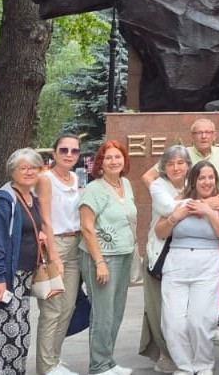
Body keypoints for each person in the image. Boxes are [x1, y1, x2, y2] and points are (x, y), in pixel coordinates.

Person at [156, 160, 219, 375]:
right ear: (194, 180)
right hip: (177, 264)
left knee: (201, 320)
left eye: (211, 177)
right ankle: (184, 366)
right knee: (173, 321)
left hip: (208, 264)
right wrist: (176, 216)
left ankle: (203, 364)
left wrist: (208, 211)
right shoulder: (180, 201)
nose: (207, 182)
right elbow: (160, 232)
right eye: (202, 178)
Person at [0, 148, 46, 374]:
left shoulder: (31, 198)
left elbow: (23, 229)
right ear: (12, 171)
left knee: (18, 337)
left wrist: (38, 236)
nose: (28, 171)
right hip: (3, 280)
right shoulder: (2, 201)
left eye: (33, 167)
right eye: (22, 168)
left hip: (22, 280)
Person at [79, 139, 138, 375]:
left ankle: (108, 361)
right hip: (102, 259)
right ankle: (98, 366)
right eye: (108, 157)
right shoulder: (94, 189)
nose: (114, 161)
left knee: (116, 312)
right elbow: (87, 227)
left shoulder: (126, 184)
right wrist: (100, 262)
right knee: (102, 314)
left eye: (118, 157)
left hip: (124, 256)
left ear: (124, 160)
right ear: (100, 163)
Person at [140, 144, 191, 373]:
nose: (176, 167)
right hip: (160, 255)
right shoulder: (158, 186)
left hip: (187, 257)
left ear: (189, 166)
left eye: (180, 163)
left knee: (183, 309)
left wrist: (193, 198)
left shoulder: (195, 183)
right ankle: (165, 353)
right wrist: (194, 200)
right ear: (163, 168)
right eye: (170, 164)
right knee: (158, 307)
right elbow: (169, 208)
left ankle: (179, 352)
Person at [36, 133, 84, 375]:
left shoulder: (75, 178)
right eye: (63, 150)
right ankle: (46, 366)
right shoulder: (46, 179)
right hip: (56, 246)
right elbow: (45, 219)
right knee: (52, 308)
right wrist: (54, 256)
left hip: (75, 244)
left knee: (67, 308)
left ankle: (54, 359)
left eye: (74, 151)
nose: (69, 155)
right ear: (54, 153)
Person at [140, 117, 219, 189]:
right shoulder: (181, 154)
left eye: (208, 132)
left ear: (214, 136)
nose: (204, 136)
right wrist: (162, 198)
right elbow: (148, 177)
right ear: (192, 136)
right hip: (189, 210)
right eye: (199, 133)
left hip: (217, 209)